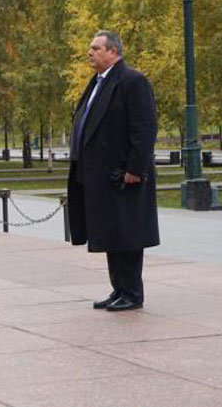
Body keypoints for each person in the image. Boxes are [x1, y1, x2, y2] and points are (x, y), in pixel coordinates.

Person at [67, 30, 159, 312]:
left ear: (114, 52)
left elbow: (143, 129)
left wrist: (135, 169)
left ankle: (132, 293)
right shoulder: (97, 82)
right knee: (111, 234)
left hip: (124, 176)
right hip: (99, 176)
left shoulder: (132, 81)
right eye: (90, 48)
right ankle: (119, 289)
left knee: (127, 235)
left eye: (96, 48)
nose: (90, 53)